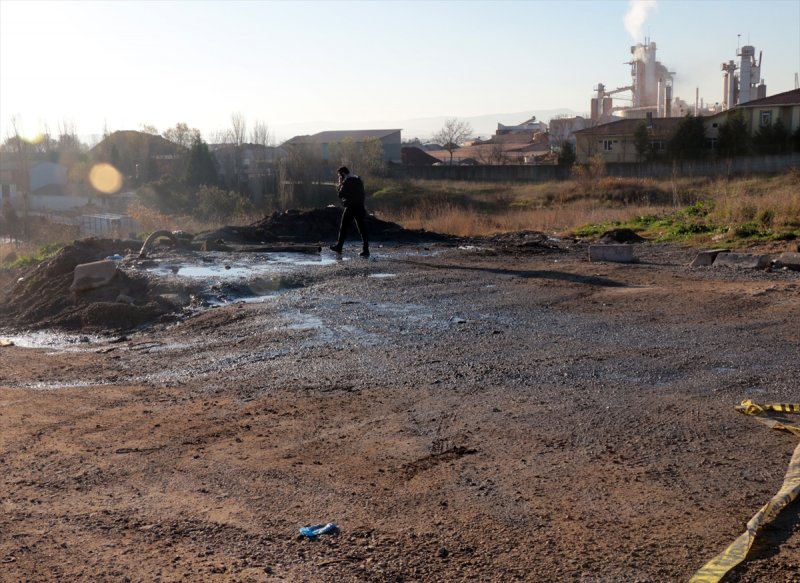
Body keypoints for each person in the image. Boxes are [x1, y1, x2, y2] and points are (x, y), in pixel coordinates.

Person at [330, 166, 369, 257]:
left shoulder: (347, 181)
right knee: (362, 229)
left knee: (343, 227)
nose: (339, 177)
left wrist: (340, 184)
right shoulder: (358, 179)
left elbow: (340, 194)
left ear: (343, 174)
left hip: (351, 207)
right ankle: (366, 250)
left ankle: (339, 246)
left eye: (340, 175)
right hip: (360, 207)